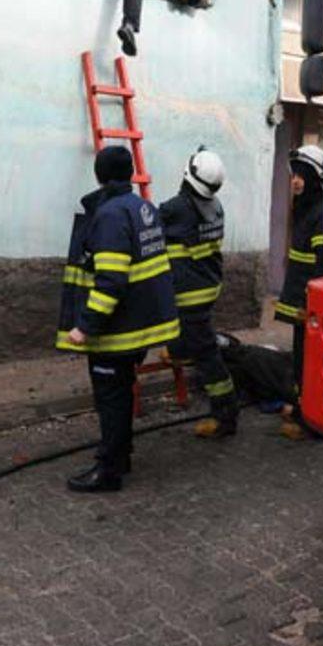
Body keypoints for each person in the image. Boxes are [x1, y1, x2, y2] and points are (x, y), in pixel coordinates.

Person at [56, 145, 179, 492]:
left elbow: (110, 279)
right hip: (138, 327)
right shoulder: (144, 208)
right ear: (129, 174)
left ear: (99, 175)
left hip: (115, 331)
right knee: (122, 392)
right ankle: (120, 455)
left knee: (110, 398)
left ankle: (108, 470)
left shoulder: (110, 215)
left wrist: (84, 326)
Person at [159, 147, 239, 439]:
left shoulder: (177, 208)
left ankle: (226, 416)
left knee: (207, 355)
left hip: (189, 294)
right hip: (207, 287)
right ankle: (179, 349)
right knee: (195, 334)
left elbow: (149, 225)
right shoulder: (215, 204)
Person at [275, 144, 323, 439]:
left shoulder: (321, 212)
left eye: (302, 175)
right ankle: (301, 408)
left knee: (311, 362)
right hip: (301, 299)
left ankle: (313, 424)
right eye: (294, 174)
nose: (295, 180)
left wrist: (313, 304)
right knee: (300, 358)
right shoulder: (307, 207)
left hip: (311, 302)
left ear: (315, 177)